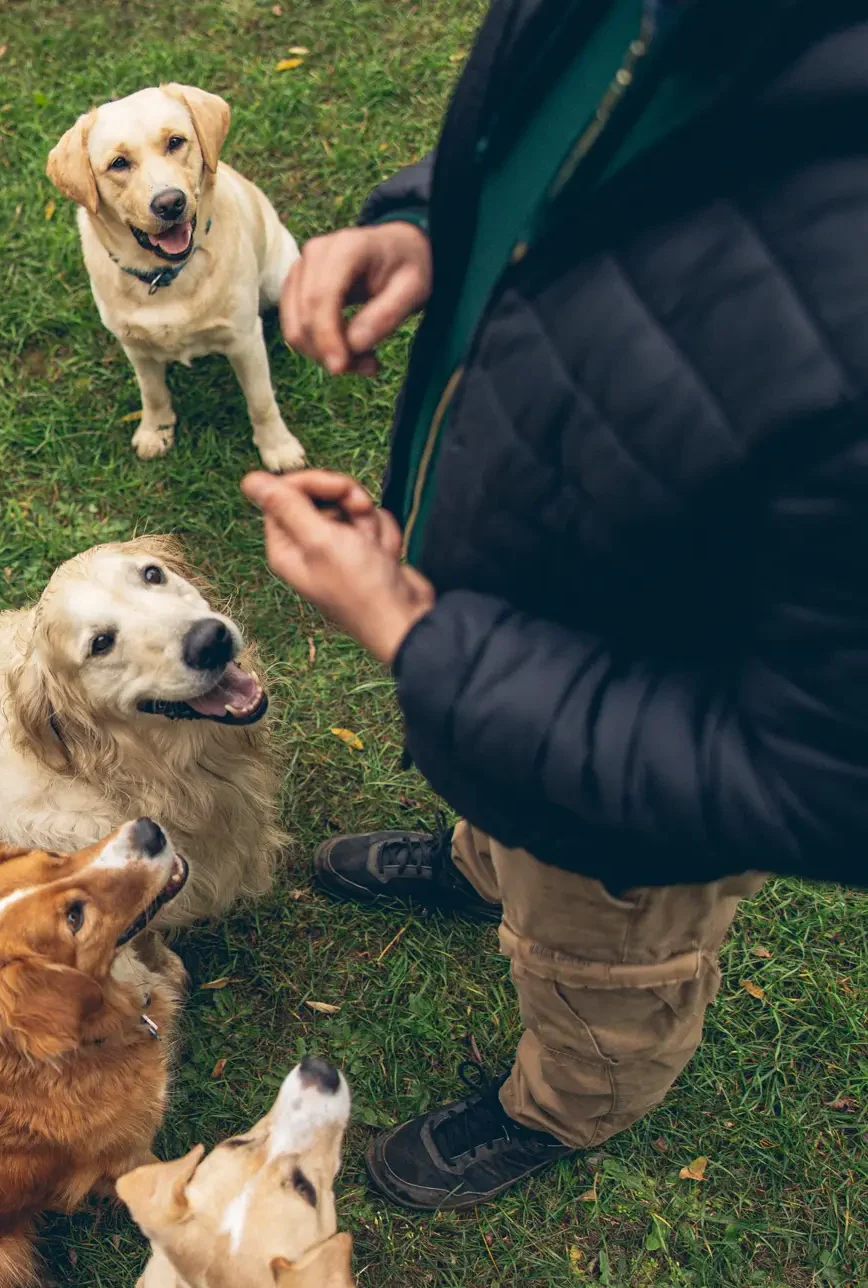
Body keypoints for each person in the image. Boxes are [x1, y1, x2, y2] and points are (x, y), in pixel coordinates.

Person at [243, 0, 868, 1211]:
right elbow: (579, 140)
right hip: (522, 649)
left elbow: (821, 780)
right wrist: (439, 226)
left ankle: (570, 1101)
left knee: (602, 973)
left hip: (635, 822)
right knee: (510, 813)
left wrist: (424, 643)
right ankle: (487, 859)